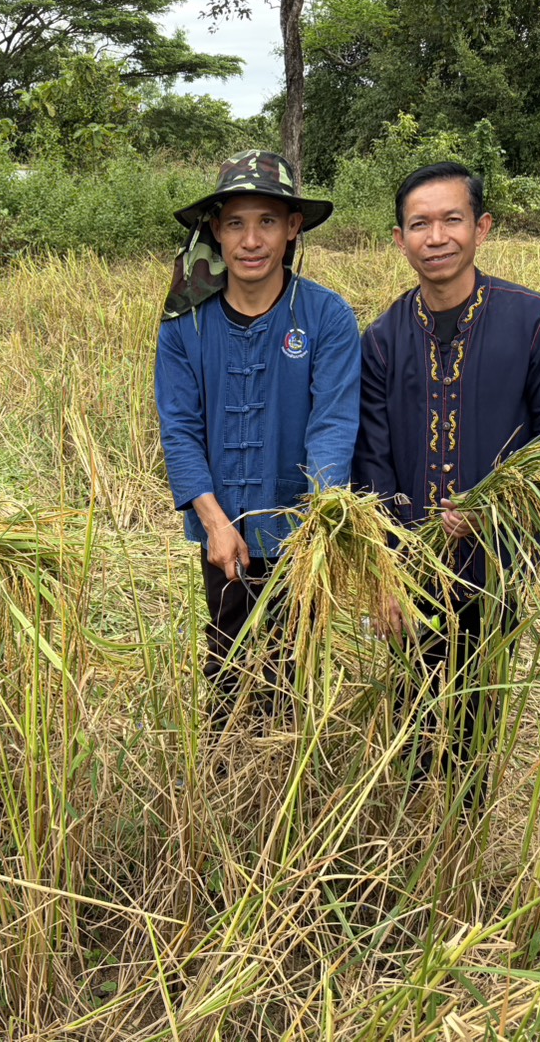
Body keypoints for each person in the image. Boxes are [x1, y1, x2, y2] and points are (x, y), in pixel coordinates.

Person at [353, 161, 540, 780]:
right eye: (419, 224)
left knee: (478, 716)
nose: (437, 237)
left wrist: (495, 512)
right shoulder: (381, 340)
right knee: (411, 711)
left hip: (496, 563)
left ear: (481, 228)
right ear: (399, 239)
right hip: (410, 564)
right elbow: (371, 461)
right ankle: (413, 813)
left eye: (452, 220)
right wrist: (386, 568)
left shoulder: (536, 323)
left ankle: (467, 818)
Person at [155, 150, 362, 721]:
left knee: (293, 670)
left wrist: (320, 520)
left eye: (267, 221)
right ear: (216, 232)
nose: (251, 240)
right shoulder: (185, 326)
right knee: (228, 664)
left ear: (293, 227)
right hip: (222, 529)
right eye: (236, 224)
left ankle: (289, 768)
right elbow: (179, 428)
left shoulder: (326, 317)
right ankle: (225, 770)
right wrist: (214, 523)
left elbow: (332, 423)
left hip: (299, 531)